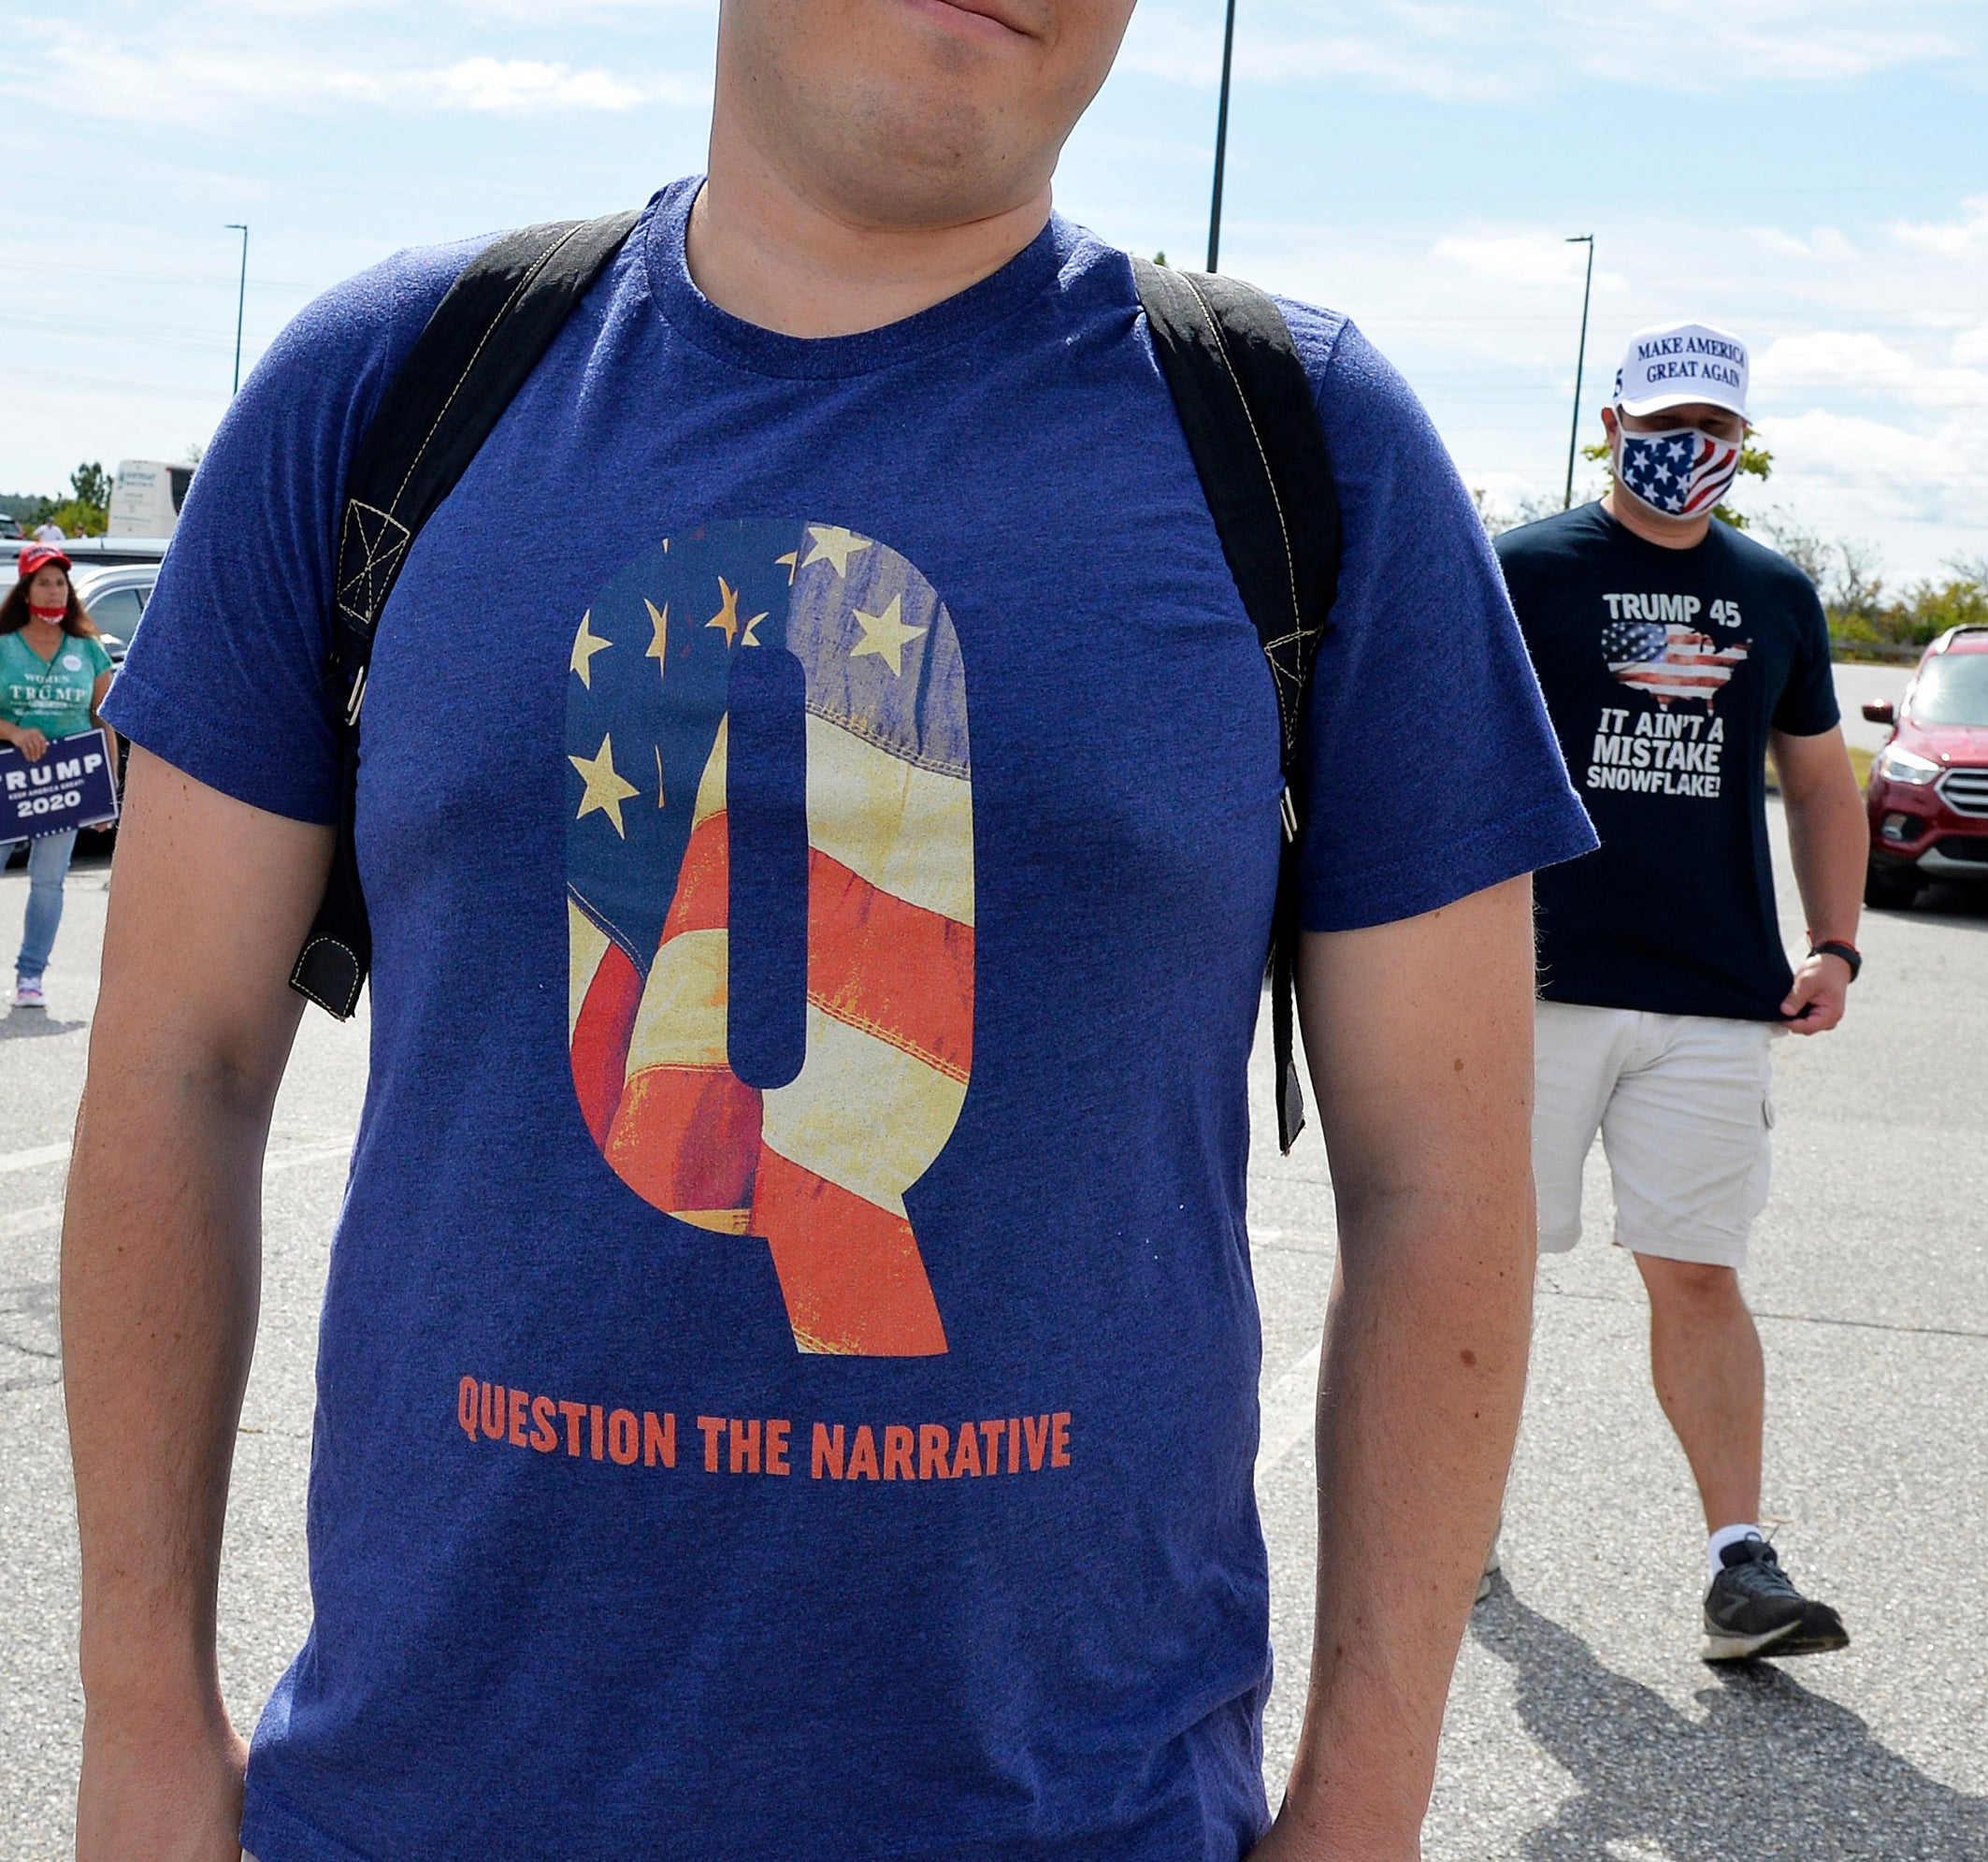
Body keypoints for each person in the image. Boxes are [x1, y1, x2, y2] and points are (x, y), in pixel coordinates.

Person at [60, 2, 1597, 1858]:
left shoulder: (1305, 451)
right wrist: (143, 1718)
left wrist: (1365, 1799)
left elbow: (1439, 1174)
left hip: (1083, 1816)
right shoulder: (386, 392)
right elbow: (178, 1065)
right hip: (414, 1810)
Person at [1495, 322, 1871, 1662]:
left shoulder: (1772, 591)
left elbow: (1822, 781)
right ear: (1610, 424)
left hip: (1715, 996)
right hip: (1532, 986)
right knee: (1486, 1270)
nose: (1686, 449)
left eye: (1713, 428)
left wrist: (1833, 942)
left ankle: (1739, 1565)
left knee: (1700, 1273)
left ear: (1742, 444)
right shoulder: (1522, 569)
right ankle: (1451, 1515)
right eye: (1664, 422)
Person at [0, 544, 116, 1009]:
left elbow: (104, 719)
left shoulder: (87, 649)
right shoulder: (5, 647)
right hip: (9, 781)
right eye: (43, 581)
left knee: (49, 881)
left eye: (59, 581)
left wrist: (106, 794)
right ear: (26, 590)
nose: (53, 589)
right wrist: (13, 731)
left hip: (65, 784)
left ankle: (31, 976)